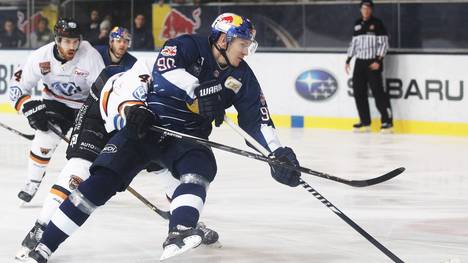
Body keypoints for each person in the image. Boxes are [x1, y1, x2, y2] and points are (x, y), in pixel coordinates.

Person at [25, 13, 301, 262]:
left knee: (199, 170)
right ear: (223, 39)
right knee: (99, 183)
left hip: (187, 137)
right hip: (147, 126)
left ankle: (179, 230)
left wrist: (274, 152)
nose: (246, 51)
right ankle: (43, 246)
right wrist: (197, 91)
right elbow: (165, 71)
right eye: (243, 44)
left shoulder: (243, 76)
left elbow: (257, 118)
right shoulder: (187, 45)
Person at [8, 18, 105, 204]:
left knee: (86, 151)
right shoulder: (41, 56)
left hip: (86, 105)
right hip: (56, 102)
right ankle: (32, 181)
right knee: (44, 138)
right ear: (57, 40)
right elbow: (17, 85)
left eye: (75, 41)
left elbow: (104, 91)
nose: (72, 46)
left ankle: (88, 185)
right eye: (67, 41)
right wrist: (26, 105)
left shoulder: (90, 55)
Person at [345, 0, 393, 133]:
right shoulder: (357, 24)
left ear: (371, 10)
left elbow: (384, 44)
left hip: (373, 63)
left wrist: (378, 60)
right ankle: (365, 122)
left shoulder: (377, 23)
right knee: (359, 92)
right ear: (360, 10)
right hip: (359, 63)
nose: (365, 10)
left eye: (368, 8)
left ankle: (387, 122)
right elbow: (354, 44)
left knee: (378, 92)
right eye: (363, 8)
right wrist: (348, 59)